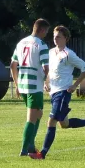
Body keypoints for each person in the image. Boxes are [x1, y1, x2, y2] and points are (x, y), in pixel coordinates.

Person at [29, 25, 85, 160]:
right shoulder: (50, 52)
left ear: (65, 38)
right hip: (53, 93)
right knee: (64, 124)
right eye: (54, 37)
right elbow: (48, 71)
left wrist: (74, 85)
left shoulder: (69, 54)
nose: (55, 39)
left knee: (51, 122)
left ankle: (42, 154)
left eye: (58, 37)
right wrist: (46, 82)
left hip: (63, 92)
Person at [10, 18, 50, 156]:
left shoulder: (21, 43)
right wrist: (47, 81)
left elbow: (13, 65)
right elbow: (46, 67)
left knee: (38, 113)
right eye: (46, 32)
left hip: (23, 84)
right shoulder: (41, 45)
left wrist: (16, 84)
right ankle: (25, 148)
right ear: (43, 30)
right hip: (35, 86)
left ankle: (31, 145)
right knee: (32, 118)